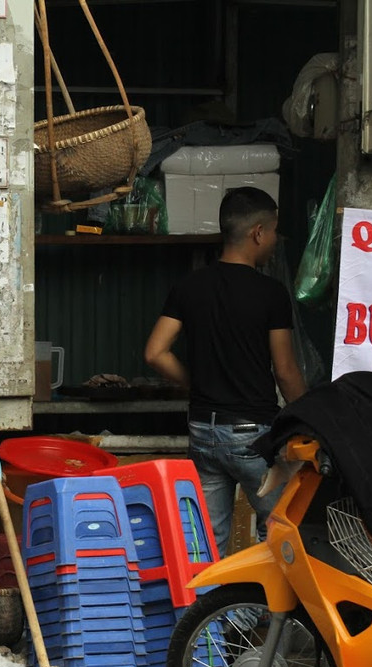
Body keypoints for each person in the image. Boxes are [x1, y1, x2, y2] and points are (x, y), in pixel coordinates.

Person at [144, 187, 306, 557]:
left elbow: (155, 352)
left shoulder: (190, 286)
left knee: (204, 543)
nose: (275, 240)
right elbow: (285, 370)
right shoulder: (271, 293)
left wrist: (195, 381)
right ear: (258, 232)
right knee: (281, 533)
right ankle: (259, 615)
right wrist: (310, 416)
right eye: (275, 231)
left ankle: (207, 615)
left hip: (203, 431)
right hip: (253, 436)